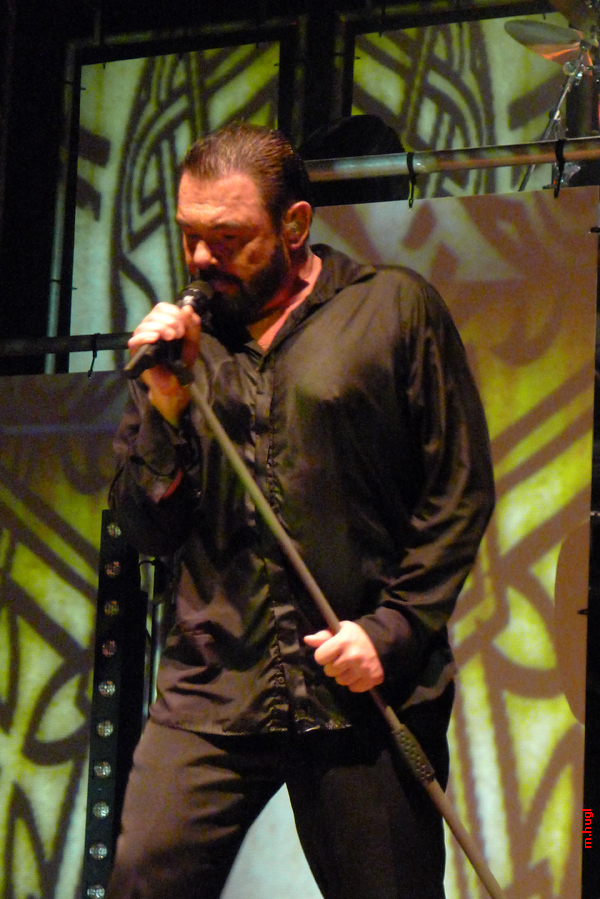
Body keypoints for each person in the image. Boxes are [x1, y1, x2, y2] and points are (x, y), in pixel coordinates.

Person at [108, 121, 495, 899]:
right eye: (189, 236)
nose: (201, 258)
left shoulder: (392, 308)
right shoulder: (182, 351)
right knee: (142, 878)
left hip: (361, 688)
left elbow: (458, 490)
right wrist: (165, 406)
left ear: (295, 225)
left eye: (228, 238)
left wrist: (392, 629)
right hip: (216, 682)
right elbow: (148, 530)